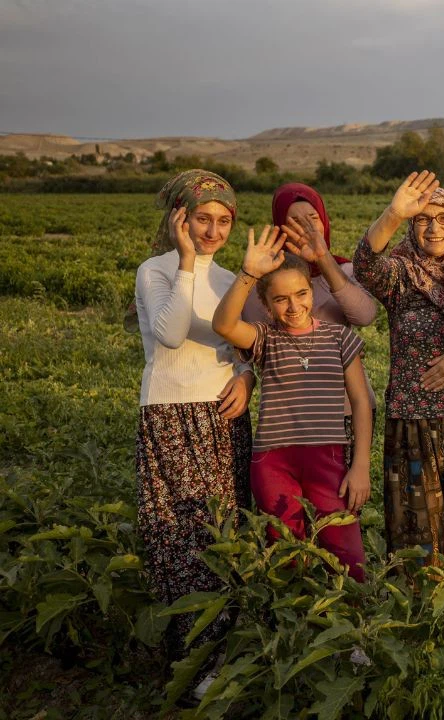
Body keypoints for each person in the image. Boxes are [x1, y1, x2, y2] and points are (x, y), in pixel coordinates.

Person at [132, 170, 255, 700]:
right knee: (180, 536)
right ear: (180, 217)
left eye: (223, 220)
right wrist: (186, 262)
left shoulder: (232, 279)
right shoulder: (156, 271)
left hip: (222, 415)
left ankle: (223, 660)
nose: (212, 231)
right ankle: (191, 664)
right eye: (202, 218)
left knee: (223, 535)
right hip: (171, 413)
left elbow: (248, 346)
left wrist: (247, 379)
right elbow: (172, 332)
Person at [353, 171, 444, 563]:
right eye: (423, 219)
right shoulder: (400, 274)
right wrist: (393, 214)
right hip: (414, 425)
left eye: (443, 218)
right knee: (417, 543)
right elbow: (366, 265)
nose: (434, 227)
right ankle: (419, 623)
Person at [212, 230, 372, 583]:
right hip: (273, 461)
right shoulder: (264, 337)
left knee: (345, 550)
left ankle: (354, 631)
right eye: (281, 299)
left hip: (328, 456)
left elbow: (361, 402)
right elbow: (223, 324)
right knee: (283, 550)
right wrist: (248, 274)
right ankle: (291, 627)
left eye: (301, 294)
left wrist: (360, 464)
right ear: (267, 306)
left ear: (312, 292)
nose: (294, 306)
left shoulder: (339, 337)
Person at [245, 183, 378, 467]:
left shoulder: (344, 271)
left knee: (341, 505)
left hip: (345, 411)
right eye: (294, 221)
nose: (306, 227)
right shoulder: (262, 284)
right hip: (289, 417)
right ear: (279, 226)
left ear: (325, 220)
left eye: (313, 218)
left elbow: (365, 316)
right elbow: (244, 339)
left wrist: (322, 259)